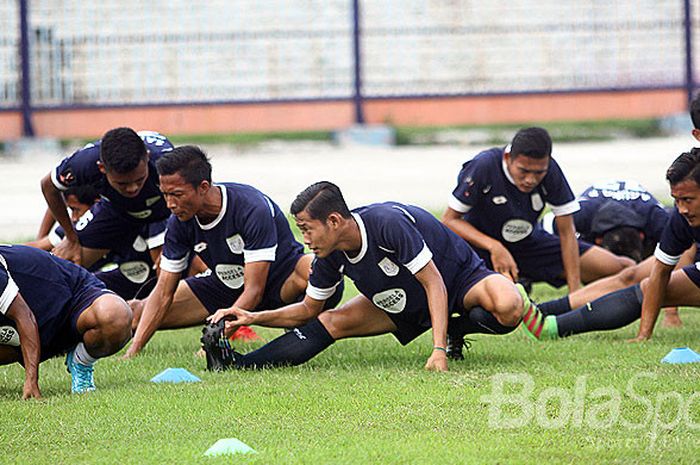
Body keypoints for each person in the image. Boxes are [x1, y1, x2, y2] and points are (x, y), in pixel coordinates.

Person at [202, 181, 535, 372]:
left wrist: (438, 350)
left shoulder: (387, 223)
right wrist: (252, 316)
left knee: (509, 304)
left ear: (333, 221)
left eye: (306, 229)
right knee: (333, 320)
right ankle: (241, 365)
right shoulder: (327, 254)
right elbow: (306, 311)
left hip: (457, 279)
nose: (304, 238)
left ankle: (452, 332)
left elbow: (433, 282)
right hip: (400, 301)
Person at [123, 146, 339, 358]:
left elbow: (254, 290)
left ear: (203, 187)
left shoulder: (250, 208)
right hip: (225, 285)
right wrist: (133, 351)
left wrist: (212, 341)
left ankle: (301, 326)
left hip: (279, 281)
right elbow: (163, 292)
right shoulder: (179, 220)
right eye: (165, 194)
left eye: (177, 194)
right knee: (133, 314)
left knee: (313, 267)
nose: (170, 204)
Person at [441, 127, 632, 356]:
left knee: (622, 268)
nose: (530, 179)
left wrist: (575, 291)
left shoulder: (550, 170)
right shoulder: (483, 166)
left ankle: (540, 299)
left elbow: (566, 231)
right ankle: (457, 329)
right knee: (497, 311)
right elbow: (450, 220)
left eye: (538, 172)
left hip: (528, 244)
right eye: (523, 171)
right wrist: (495, 246)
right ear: (508, 158)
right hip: (481, 251)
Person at [521, 149, 700, 342]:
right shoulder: (678, 217)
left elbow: (685, 255)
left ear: (642, 236)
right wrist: (643, 335)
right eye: (676, 200)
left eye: (688, 200)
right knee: (637, 280)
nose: (682, 208)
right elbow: (661, 270)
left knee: (635, 274)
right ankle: (544, 316)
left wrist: (672, 314)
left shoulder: (655, 216)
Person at [0, 245, 132, 397]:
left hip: (71, 302)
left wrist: (31, 381)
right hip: (26, 329)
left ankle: (81, 361)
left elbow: (24, 316)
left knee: (115, 317)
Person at [40, 127, 173, 267]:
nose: (132, 188)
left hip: (165, 209)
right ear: (102, 168)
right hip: (116, 209)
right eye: (122, 183)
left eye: (139, 180)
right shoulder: (85, 163)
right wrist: (71, 237)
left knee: (173, 266)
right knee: (68, 264)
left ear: (147, 157)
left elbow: (193, 201)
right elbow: (49, 186)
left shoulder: (165, 163)